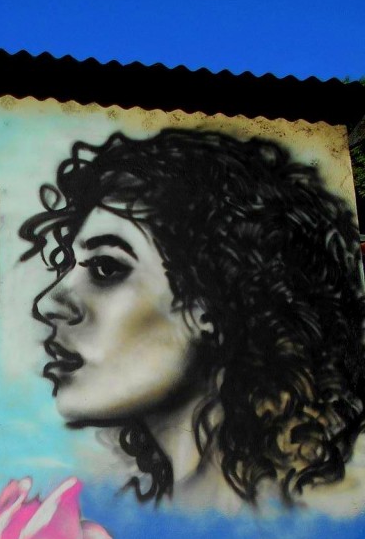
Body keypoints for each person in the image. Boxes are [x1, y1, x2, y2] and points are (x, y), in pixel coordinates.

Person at [20, 129, 365, 505]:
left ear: (213, 304)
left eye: (106, 268)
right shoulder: (184, 501)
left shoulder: (271, 510)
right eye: (66, 266)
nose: (48, 303)